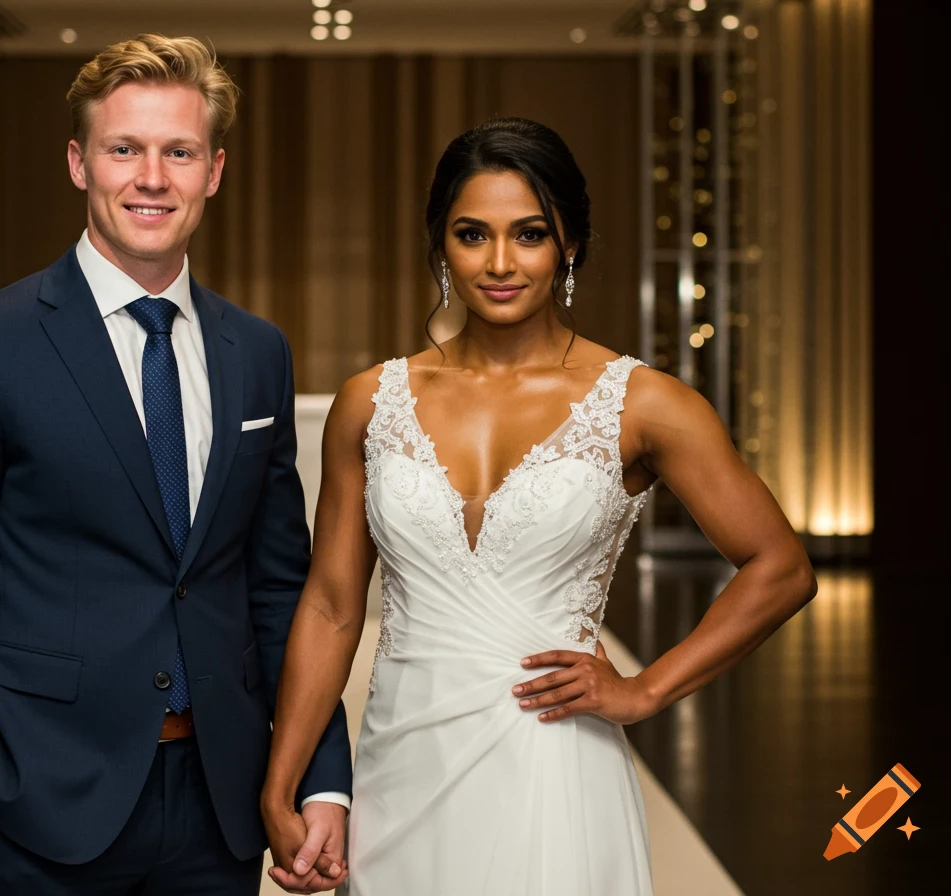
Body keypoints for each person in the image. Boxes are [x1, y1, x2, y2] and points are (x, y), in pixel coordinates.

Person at [260, 117, 818, 895]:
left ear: (571, 246)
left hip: (555, 758)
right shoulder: (371, 401)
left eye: (528, 234)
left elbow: (781, 568)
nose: (498, 262)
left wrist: (647, 688)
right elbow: (329, 607)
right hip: (402, 762)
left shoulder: (644, 404)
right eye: (470, 234)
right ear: (441, 246)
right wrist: (282, 781)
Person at [0, 34, 352, 895]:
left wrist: (318, 772)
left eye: (179, 151)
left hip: (222, 805)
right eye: (123, 149)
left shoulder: (256, 352)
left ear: (213, 171)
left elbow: (280, 585)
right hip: (41, 809)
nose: (151, 177)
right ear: (78, 163)